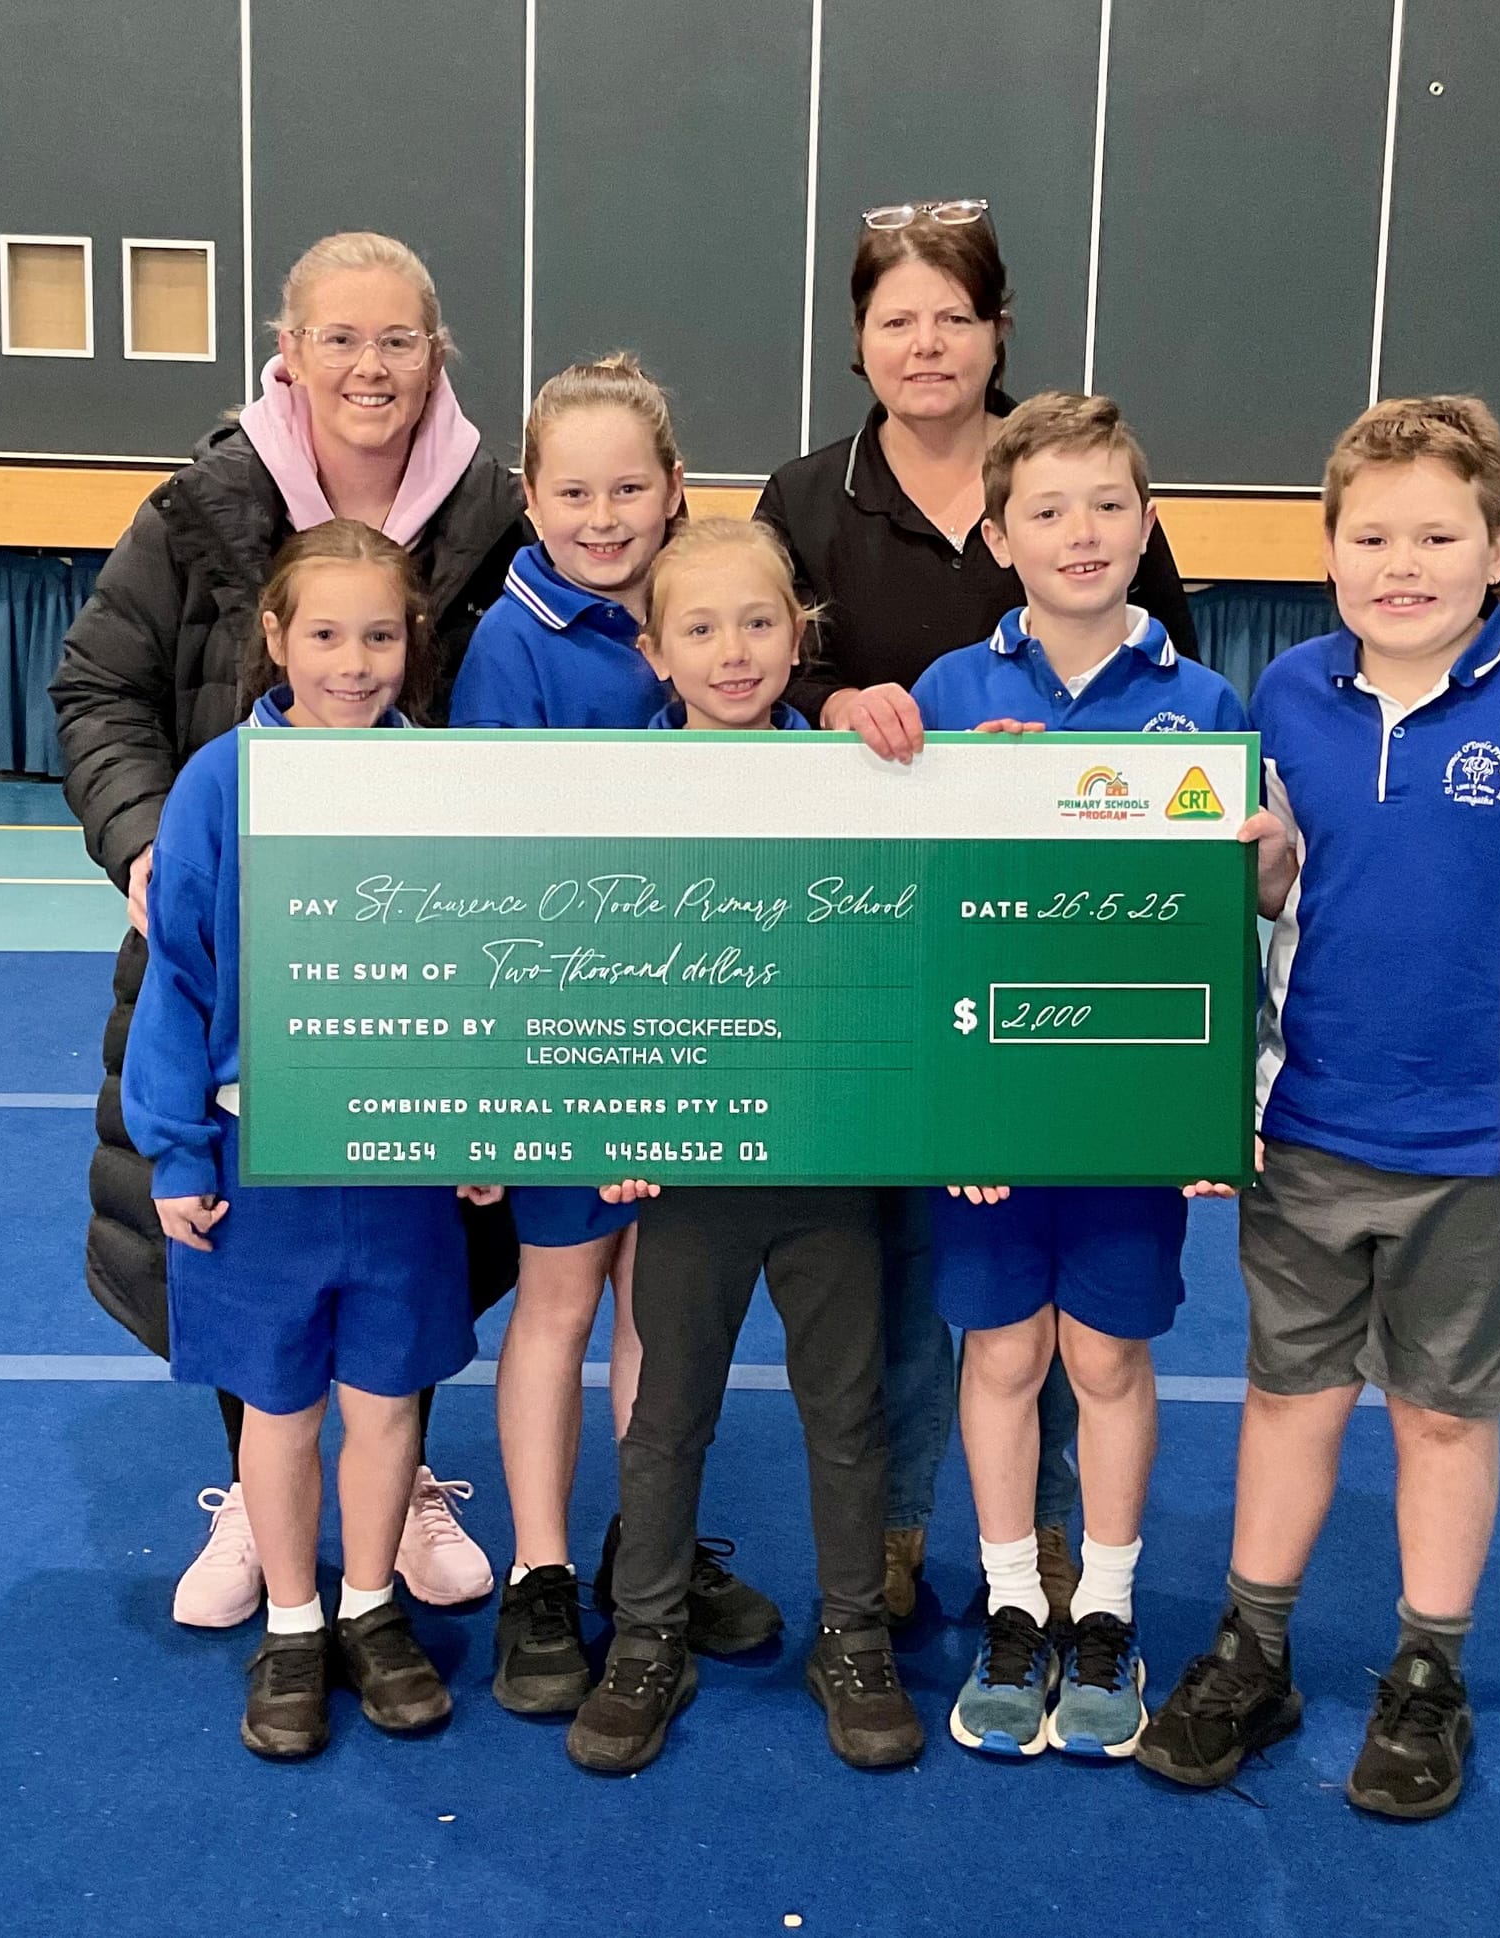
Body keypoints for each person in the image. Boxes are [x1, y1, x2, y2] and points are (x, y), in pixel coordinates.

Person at [1136, 396, 1500, 1817]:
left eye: (1439, 534)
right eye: (1371, 535)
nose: (1403, 561)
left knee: (1442, 1415)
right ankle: (1255, 1649)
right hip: (1308, 1128)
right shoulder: (1294, 697)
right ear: (1327, 552)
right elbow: (1276, 901)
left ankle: (1426, 1671)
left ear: (1499, 545)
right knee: (1286, 1394)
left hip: (1483, 1146)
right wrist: (1249, 888)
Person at [51, 233, 526, 1629]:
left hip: (422, 966)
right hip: (233, 943)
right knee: (239, 1250)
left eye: (398, 341)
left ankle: (403, 1477)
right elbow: (99, 688)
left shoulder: (498, 515)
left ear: (436, 355)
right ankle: (262, 1510)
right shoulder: (199, 509)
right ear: (290, 351)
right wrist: (145, 846)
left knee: (406, 1246)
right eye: (341, 339)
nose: (370, 367)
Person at [757, 200, 1199, 1625]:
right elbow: (752, 673)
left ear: (1000, 328)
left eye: (955, 314)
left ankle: (1058, 1544)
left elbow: (1169, 717)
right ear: (859, 339)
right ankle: (896, 1527)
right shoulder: (804, 500)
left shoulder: (1074, 477)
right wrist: (838, 705)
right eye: (897, 317)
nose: (927, 341)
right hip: (890, 955)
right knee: (908, 1272)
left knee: (1064, 1301)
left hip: (1061, 963)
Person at [123, 520, 507, 1760]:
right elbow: (177, 972)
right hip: (258, 1166)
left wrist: (481, 1113)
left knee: (389, 1401)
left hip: (398, 1163)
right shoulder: (217, 783)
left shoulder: (443, 784)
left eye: (381, 635)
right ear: (275, 636)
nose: (353, 662)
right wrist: (178, 1150)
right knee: (279, 1413)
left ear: (416, 642)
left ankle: (369, 1606)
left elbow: (480, 969)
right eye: (326, 634)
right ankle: (293, 1624)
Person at [904, 393, 1245, 1760]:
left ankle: (1101, 1606)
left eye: (1108, 504)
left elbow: (1228, 923)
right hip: (991, 1098)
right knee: (998, 1349)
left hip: (1126, 1106)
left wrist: (1209, 1102)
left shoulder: (1201, 702)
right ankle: (1008, 1601)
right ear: (999, 534)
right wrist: (950, 1097)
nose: (1081, 532)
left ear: (1148, 521)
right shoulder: (946, 694)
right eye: (1045, 509)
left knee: (1105, 1350)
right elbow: (911, 910)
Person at [448, 361, 782, 1718]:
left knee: (666, 1308)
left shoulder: (708, 617)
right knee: (561, 1297)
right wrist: (541, 1077)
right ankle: (538, 1573)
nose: (603, 514)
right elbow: (490, 873)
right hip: (568, 1045)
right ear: (529, 497)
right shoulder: (509, 645)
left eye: (629, 487)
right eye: (573, 490)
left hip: (698, 1049)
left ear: (676, 488)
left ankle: (643, 1548)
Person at [565, 520, 922, 1775]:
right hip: (688, 1175)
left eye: (759, 624)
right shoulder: (613, 794)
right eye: (701, 630)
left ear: (800, 635)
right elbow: (583, 973)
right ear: (653, 652)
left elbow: (916, 957)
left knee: (847, 1410)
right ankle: (646, 1634)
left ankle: (851, 1633)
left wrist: (969, 1115)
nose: (733, 652)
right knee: (667, 1414)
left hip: (829, 1165)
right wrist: (608, 1115)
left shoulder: (864, 778)